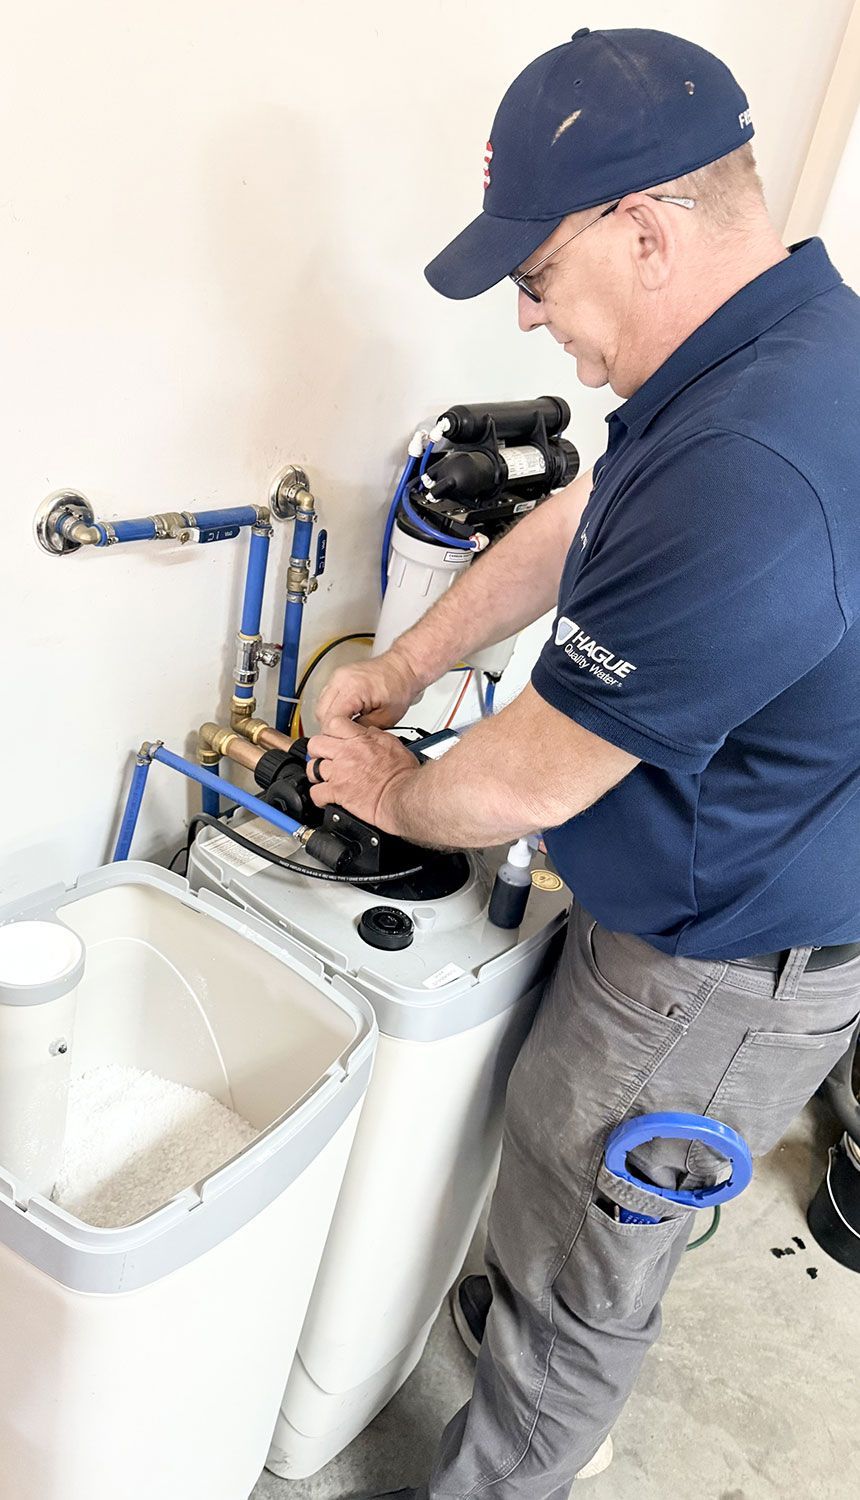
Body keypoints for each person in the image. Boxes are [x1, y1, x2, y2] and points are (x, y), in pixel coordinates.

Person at [306, 26, 860, 1499]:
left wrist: (384, 787)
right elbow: (582, 521)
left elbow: (526, 784)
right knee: (559, 1207)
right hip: (698, 913)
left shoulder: (761, 463)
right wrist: (406, 664)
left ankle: (510, 1462)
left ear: (644, 229)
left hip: (715, 972)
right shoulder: (785, 349)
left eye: (535, 277)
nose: (529, 319)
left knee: (579, 1307)